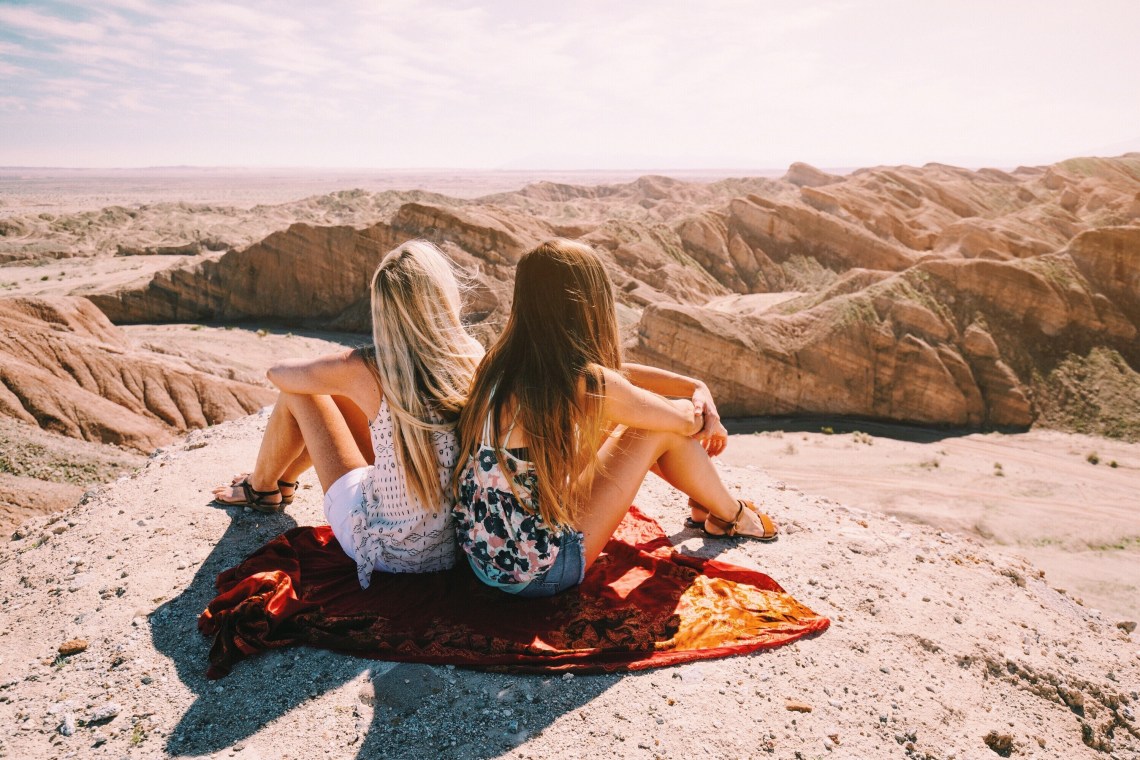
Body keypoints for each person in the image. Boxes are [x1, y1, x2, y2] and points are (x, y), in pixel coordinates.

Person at [452, 238, 777, 598]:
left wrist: (694, 385)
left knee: (638, 416)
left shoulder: (499, 364)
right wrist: (702, 415)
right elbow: (679, 421)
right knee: (653, 428)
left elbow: (617, 377)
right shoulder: (585, 383)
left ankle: (707, 509)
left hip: (486, 560)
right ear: (587, 303)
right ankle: (731, 515)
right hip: (540, 573)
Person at [212, 240, 484, 588]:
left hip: (388, 550)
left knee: (298, 395)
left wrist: (339, 368)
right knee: (348, 402)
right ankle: (282, 481)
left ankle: (260, 488)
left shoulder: (368, 368)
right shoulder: (470, 355)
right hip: (456, 549)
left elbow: (277, 373)